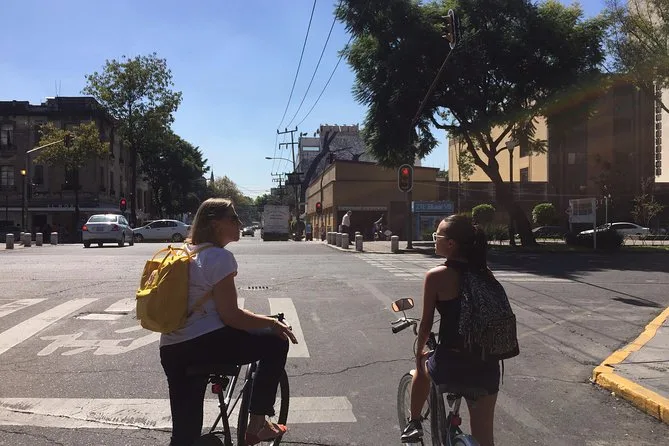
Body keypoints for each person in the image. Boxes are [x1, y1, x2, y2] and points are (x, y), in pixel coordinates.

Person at [159, 198, 298, 446]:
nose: (240, 223)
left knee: (184, 436)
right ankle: (257, 425)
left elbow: (215, 307)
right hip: (206, 345)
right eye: (234, 218)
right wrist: (272, 324)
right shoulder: (219, 257)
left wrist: (258, 319)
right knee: (276, 343)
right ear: (215, 224)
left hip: (172, 348)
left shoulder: (185, 253)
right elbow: (231, 316)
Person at [400, 214, 499, 446]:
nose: (434, 239)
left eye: (438, 236)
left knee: (421, 365)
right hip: (487, 365)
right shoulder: (486, 274)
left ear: (451, 244)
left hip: (451, 363)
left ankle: (414, 423)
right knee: (485, 439)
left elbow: (426, 324)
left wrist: (419, 353)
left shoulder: (437, 276)